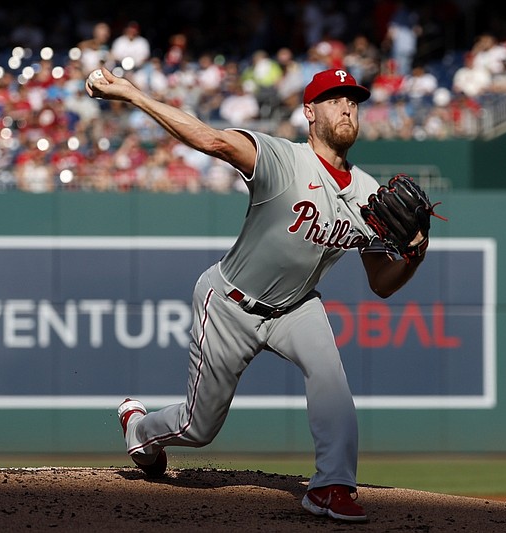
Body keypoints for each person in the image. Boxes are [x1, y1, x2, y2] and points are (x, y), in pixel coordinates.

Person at [85, 66, 429, 523]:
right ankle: (139, 430)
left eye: (353, 100)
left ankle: (331, 486)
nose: (347, 106)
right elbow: (212, 140)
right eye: (333, 99)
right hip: (230, 302)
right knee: (197, 426)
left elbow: (380, 284)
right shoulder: (282, 159)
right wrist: (132, 94)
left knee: (332, 383)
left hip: (297, 306)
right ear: (309, 111)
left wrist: (413, 257)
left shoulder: (369, 195)